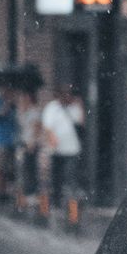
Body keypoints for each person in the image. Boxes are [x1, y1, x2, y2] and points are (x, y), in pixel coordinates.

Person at [39, 84, 83, 226]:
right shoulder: (52, 108)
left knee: (71, 182)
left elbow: (81, 122)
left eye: (69, 94)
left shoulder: (73, 107)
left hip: (71, 151)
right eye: (64, 94)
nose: (67, 97)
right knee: (54, 181)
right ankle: (52, 209)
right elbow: (48, 128)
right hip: (56, 152)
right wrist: (53, 140)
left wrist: (80, 105)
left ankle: (73, 216)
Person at [14, 90, 42, 215]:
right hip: (24, 142)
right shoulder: (24, 111)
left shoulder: (34, 111)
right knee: (24, 168)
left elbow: (37, 127)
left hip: (31, 144)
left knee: (30, 169)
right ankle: (25, 194)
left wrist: (33, 141)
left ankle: (32, 195)